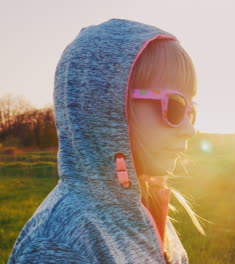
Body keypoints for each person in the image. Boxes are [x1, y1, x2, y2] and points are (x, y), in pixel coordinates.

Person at [8, 18, 206, 264]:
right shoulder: (59, 246)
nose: (190, 130)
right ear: (106, 107)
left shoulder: (140, 208)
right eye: (175, 106)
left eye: (192, 111)